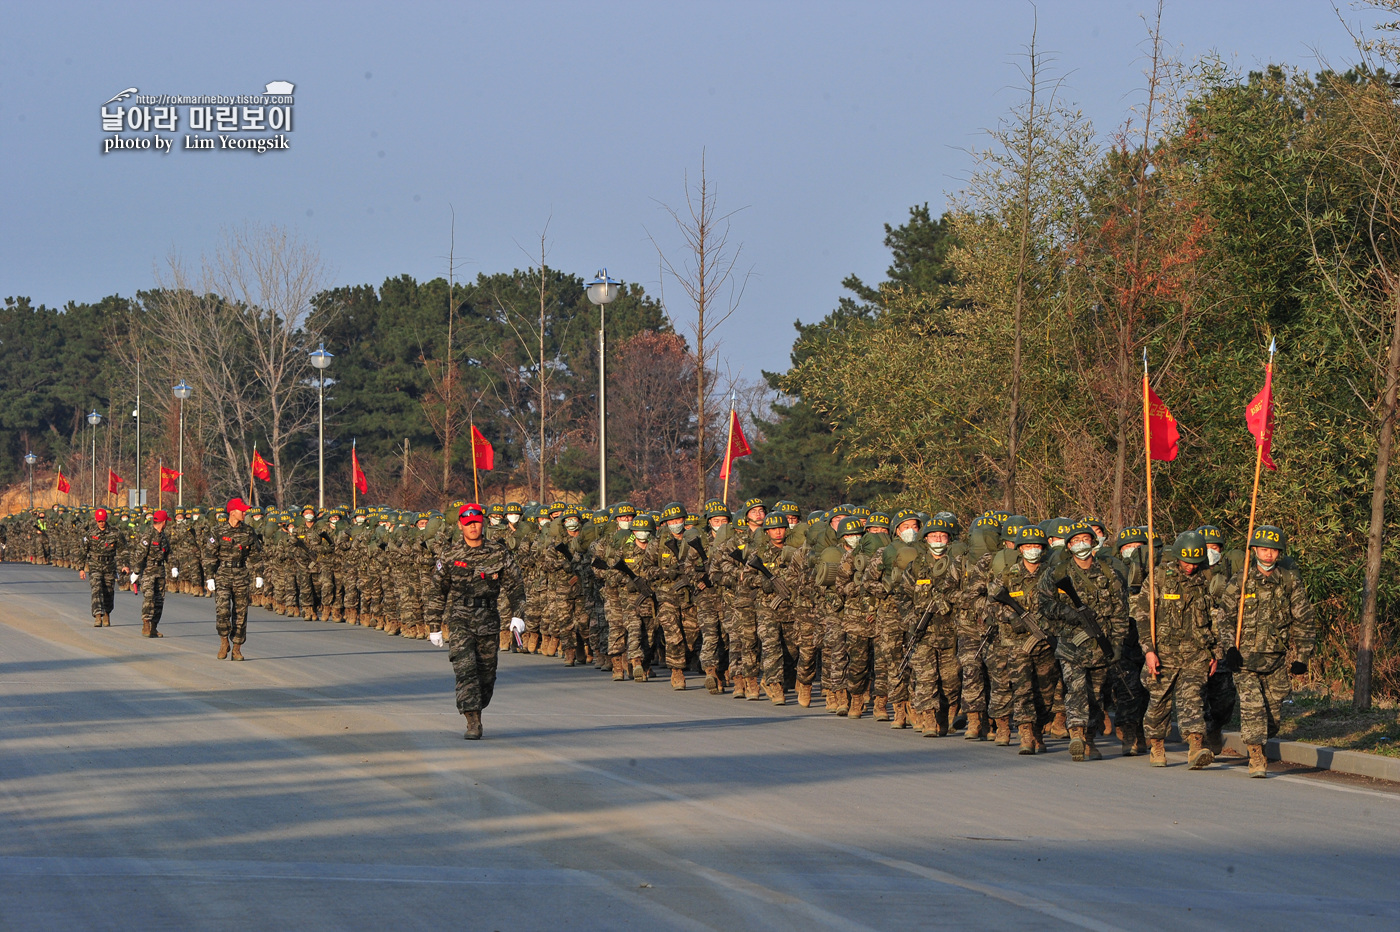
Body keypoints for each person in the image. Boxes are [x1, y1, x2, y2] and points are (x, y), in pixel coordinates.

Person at [1217, 524, 1317, 778]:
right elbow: (1224, 618)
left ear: (1279, 552)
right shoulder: (1241, 580)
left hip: (1275, 660)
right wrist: (1229, 647)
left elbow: (1303, 618)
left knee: (1273, 716)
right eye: (1263, 549)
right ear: (1255, 551)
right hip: (1245, 660)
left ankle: (1261, 739)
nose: (1268, 554)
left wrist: (1302, 656)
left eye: (1273, 550)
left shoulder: (1289, 580)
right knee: (1253, 708)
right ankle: (1256, 756)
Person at [426, 504, 525, 740]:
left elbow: (515, 586)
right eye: (468, 523)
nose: (473, 526)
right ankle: (473, 721)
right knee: (465, 670)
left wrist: (518, 615)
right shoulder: (450, 555)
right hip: (460, 618)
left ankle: (478, 705)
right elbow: (437, 591)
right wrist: (434, 626)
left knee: (486, 676)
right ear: (460, 525)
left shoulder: (498, 553)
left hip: (489, 619)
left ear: (483, 523)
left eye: (477, 522)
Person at [1135, 531, 1222, 768]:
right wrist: (1149, 651)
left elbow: (1217, 618)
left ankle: (1196, 746)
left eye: (1195, 563)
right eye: (1186, 562)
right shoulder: (1159, 578)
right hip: (1165, 652)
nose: (1190, 568)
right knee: (1159, 701)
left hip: (1197, 653)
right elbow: (1142, 617)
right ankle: (1157, 745)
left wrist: (1216, 653)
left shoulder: (1208, 579)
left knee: (1193, 698)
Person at [205, 497, 263, 660]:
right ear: (232, 512)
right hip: (223, 574)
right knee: (222, 611)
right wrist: (209, 577)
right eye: (241, 510)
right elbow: (209, 554)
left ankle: (237, 648)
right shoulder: (218, 531)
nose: (244, 513)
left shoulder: (248, 531)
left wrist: (259, 574)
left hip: (241, 575)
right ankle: (224, 641)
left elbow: (255, 554)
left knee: (241, 613)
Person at [131, 510, 173, 638]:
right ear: (163, 522)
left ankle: (154, 627)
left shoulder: (163, 537)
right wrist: (136, 572)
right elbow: (140, 554)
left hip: (160, 571)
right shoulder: (148, 535)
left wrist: (174, 566)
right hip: (148, 570)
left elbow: (168, 553)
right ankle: (146, 624)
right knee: (149, 598)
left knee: (160, 599)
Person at [80, 507, 123, 627]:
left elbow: (123, 549)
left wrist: (124, 565)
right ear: (96, 521)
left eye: (103, 521)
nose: (101, 523)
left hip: (109, 565)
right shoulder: (90, 534)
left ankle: (107, 613)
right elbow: (83, 551)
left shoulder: (115, 533)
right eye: (99, 521)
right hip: (95, 566)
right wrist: (81, 568)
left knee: (108, 591)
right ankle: (98, 615)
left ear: (106, 520)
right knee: (96, 589)